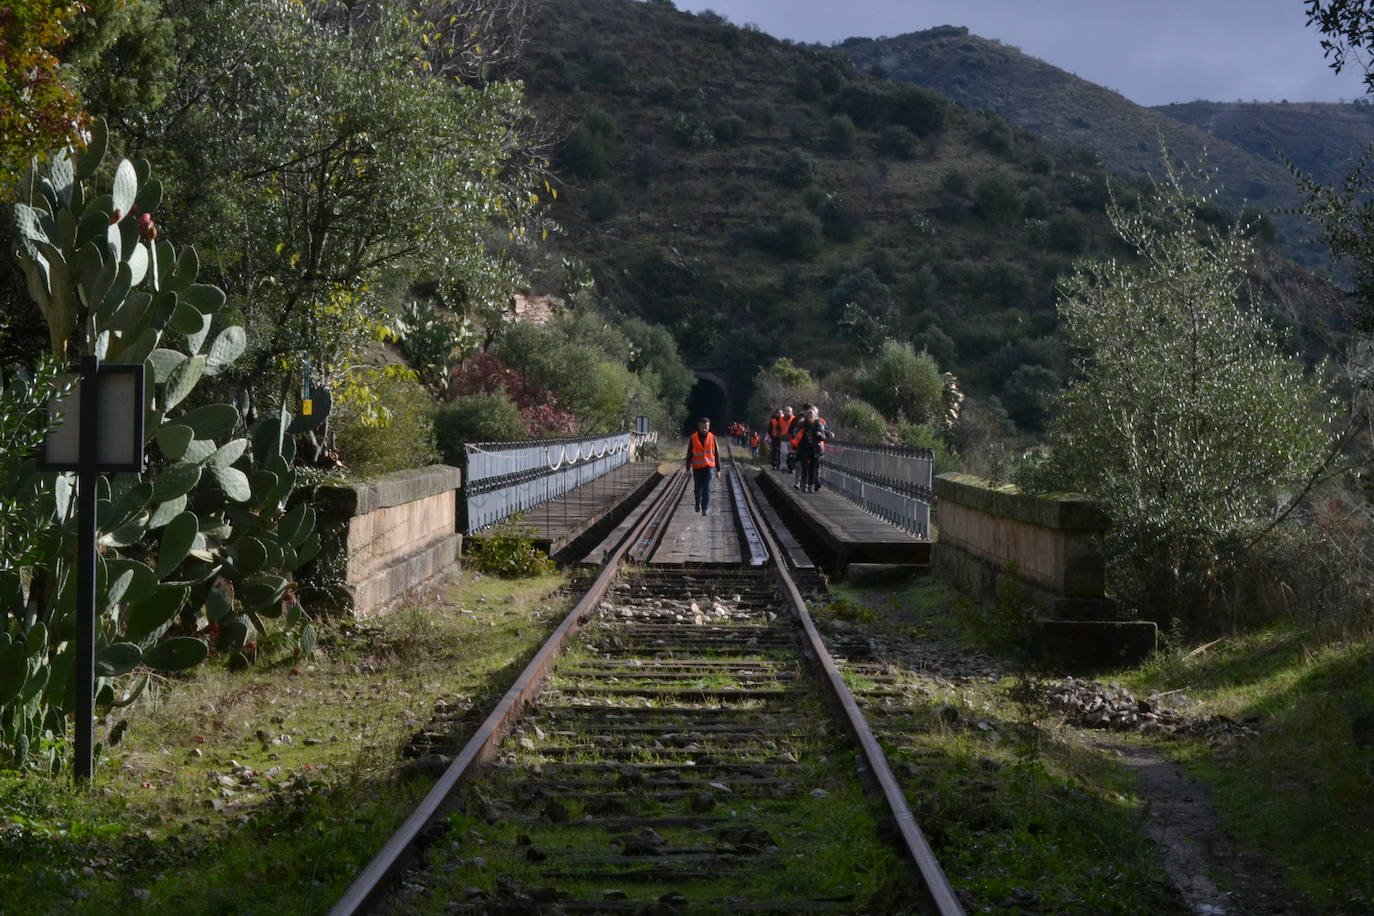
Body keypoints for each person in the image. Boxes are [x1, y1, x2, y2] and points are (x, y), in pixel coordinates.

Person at [685, 416, 719, 514]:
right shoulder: (693, 438)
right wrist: (688, 468)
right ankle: (697, 503)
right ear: (699, 426)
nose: (704, 429)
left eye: (706, 427)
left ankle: (705, 508)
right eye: (702, 427)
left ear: (709, 427)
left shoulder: (713, 438)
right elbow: (689, 454)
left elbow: (716, 454)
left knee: (707, 488)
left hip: (709, 467)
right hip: (697, 468)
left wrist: (718, 469)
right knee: (697, 488)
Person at [793, 403, 830, 492]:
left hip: (815, 449)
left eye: (812, 417)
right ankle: (803, 485)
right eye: (808, 417)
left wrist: (820, 435)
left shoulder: (818, 424)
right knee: (804, 467)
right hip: (805, 448)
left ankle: (810, 486)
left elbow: (823, 437)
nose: (810, 419)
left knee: (813, 468)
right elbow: (798, 434)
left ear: (815, 417)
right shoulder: (803, 424)